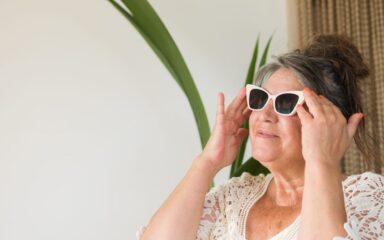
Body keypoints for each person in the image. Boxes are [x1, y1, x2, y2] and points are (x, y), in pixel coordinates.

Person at [137, 35, 384, 240]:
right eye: (260, 98)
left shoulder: (368, 197)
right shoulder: (234, 197)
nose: (264, 114)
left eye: (286, 102)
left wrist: (322, 162)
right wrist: (208, 162)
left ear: (329, 122)